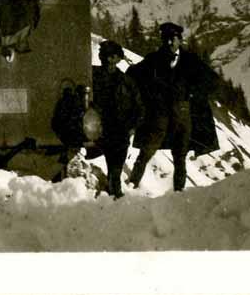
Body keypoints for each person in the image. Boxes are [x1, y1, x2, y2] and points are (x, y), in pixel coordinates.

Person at [126, 21, 218, 192]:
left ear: (179, 40)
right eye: (166, 39)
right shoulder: (153, 59)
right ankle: (132, 184)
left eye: (172, 39)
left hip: (183, 114)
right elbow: (132, 74)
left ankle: (179, 192)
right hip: (159, 115)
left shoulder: (191, 60)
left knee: (180, 156)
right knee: (147, 151)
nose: (169, 43)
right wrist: (150, 92)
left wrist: (193, 94)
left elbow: (211, 80)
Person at [90, 39, 142, 198]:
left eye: (109, 56)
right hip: (100, 131)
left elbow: (139, 108)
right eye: (102, 55)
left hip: (119, 132)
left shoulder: (126, 81)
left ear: (116, 58)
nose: (104, 58)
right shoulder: (91, 75)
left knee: (115, 171)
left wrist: (131, 127)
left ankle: (114, 194)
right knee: (113, 170)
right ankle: (113, 194)